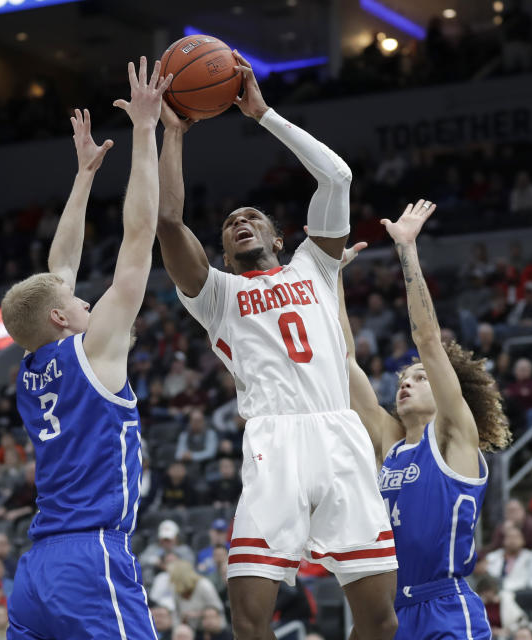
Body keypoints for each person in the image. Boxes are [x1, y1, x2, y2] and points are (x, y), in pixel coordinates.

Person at [156, 52, 398, 640]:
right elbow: (167, 221)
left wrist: (263, 114)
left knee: (380, 621)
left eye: (253, 216)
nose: (240, 220)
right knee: (249, 620)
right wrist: (171, 135)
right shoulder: (216, 295)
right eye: (230, 222)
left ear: (278, 236)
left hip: (341, 434)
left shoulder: (314, 267)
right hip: (274, 440)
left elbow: (337, 177)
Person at [1, 59, 168, 640]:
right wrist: (146, 130)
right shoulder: (93, 352)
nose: (88, 305)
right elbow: (139, 238)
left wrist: (84, 176)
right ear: (58, 317)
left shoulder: (30, 365)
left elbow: (60, 267)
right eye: (76, 304)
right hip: (89, 557)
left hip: (36, 570)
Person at [337, 199, 512, 639]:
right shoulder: (390, 444)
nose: (408, 383)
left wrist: (407, 250)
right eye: (404, 377)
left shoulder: (454, 437)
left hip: (444, 607)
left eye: (420, 378)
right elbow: (343, 359)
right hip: (389, 614)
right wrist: (331, 278)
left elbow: (428, 340)